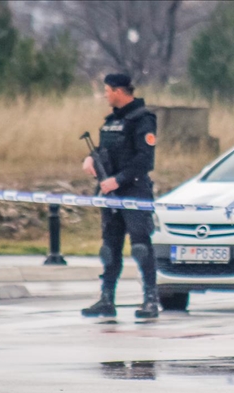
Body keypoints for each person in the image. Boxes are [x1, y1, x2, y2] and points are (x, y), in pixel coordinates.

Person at [81, 73, 159, 319]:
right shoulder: (110, 122)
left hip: (134, 191)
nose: (105, 95)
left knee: (140, 247)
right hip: (110, 193)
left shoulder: (143, 119)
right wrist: (91, 159)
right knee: (109, 248)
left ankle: (150, 300)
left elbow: (144, 160)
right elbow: (106, 151)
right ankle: (106, 298)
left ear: (118, 90)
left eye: (107, 90)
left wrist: (119, 179)